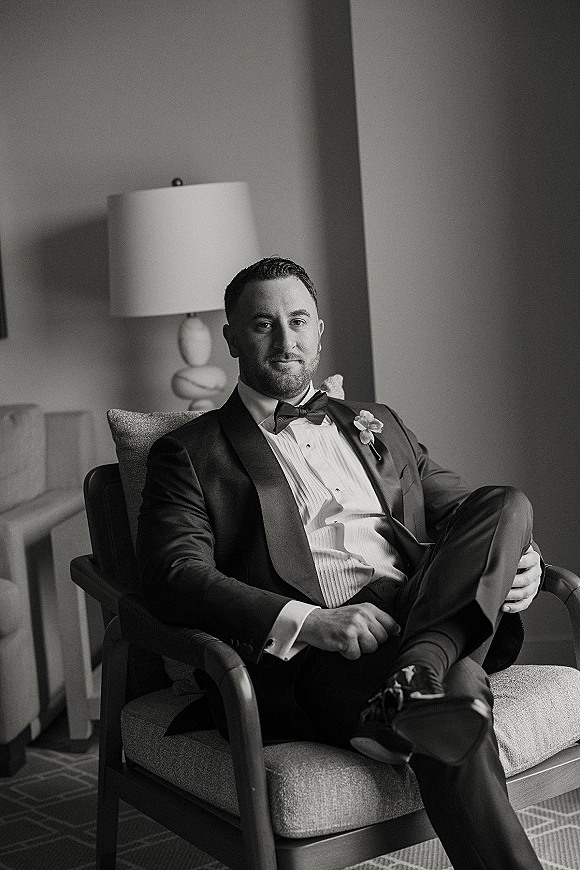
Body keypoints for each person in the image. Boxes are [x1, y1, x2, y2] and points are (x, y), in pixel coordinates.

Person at [137, 256, 544, 870]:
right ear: (231, 338)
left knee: (507, 503)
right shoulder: (190, 453)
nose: (285, 340)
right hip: (320, 657)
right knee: (458, 690)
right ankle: (427, 675)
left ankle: (414, 676)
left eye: (298, 321)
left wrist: (527, 561)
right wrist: (310, 621)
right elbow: (174, 577)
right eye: (263, 324)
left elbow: (473, 515)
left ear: (320, 330)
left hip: (419, 610)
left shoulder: (375, 424)